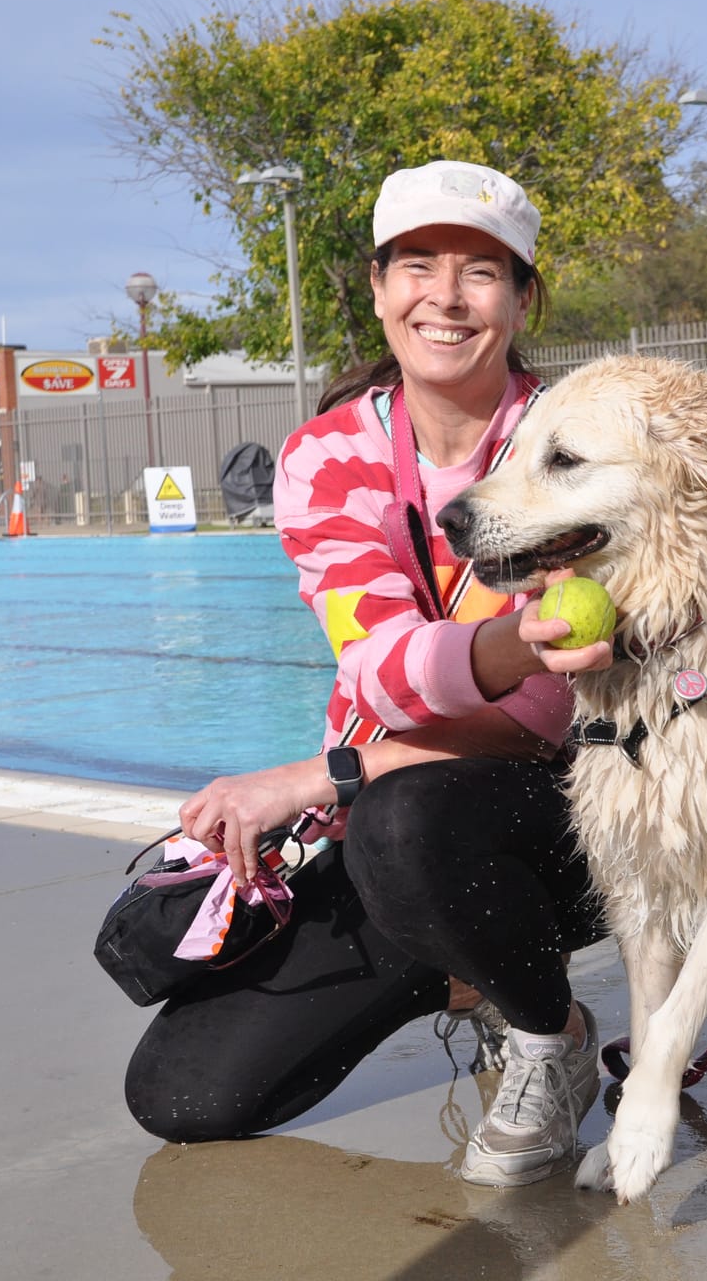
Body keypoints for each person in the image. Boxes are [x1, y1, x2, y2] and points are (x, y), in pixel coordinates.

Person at [123, 160, 615, 1189]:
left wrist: (323, 776)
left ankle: (551, 1033)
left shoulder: (579, 442)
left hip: (579, 816)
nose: (447, 296)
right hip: (400, 835)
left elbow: (545, 710)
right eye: (419, 264)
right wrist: (509, 651)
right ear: (380, 287)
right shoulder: (328, 455)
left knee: (404, 815)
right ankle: (466, 967)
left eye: (482, 271)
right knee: (185, 1095)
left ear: (522, 298)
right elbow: (382, 669)